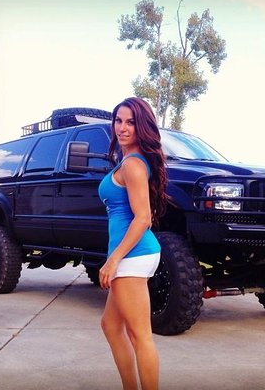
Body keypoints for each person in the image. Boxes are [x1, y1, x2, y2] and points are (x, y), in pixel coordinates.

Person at [98, 97, 168, 390]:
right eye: (118, 121)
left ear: (142, 127)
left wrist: (113, 260)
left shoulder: (133, 165)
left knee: (140, 336)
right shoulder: (128, 162)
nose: (123, 128)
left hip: (133, 256)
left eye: (131, 122)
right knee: (111, 326)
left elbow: (143, 218)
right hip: (131, 254)